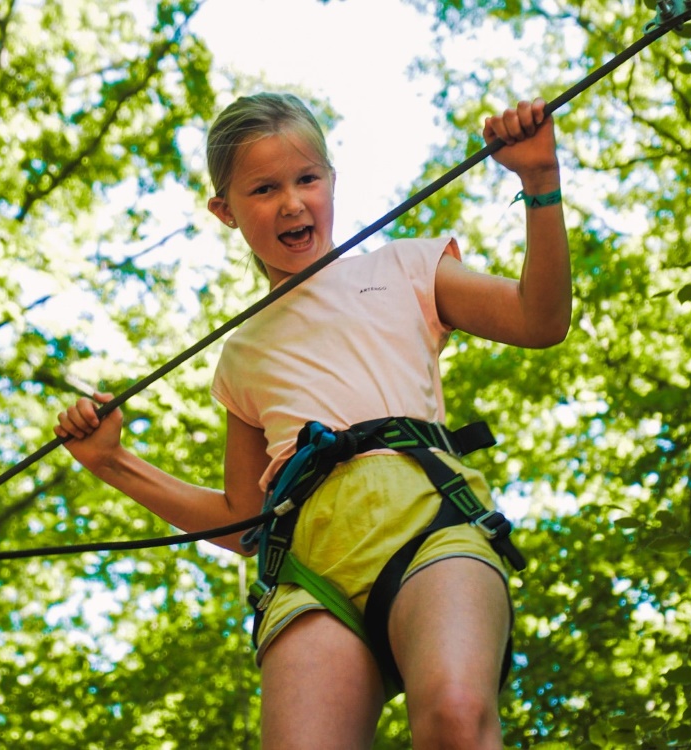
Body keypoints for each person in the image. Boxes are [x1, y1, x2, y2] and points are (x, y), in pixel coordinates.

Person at [55, 92, 571, 750]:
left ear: (332, 180)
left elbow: (539, 320)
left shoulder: (407, 267)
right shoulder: (243, 352)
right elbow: (245, 523)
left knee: (456, 715)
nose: (293, 203)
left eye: (307, 179)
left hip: (428, 524)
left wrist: (539, 183)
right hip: (310, 570)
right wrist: (111, 463)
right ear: (225, 210)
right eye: (264, 189)